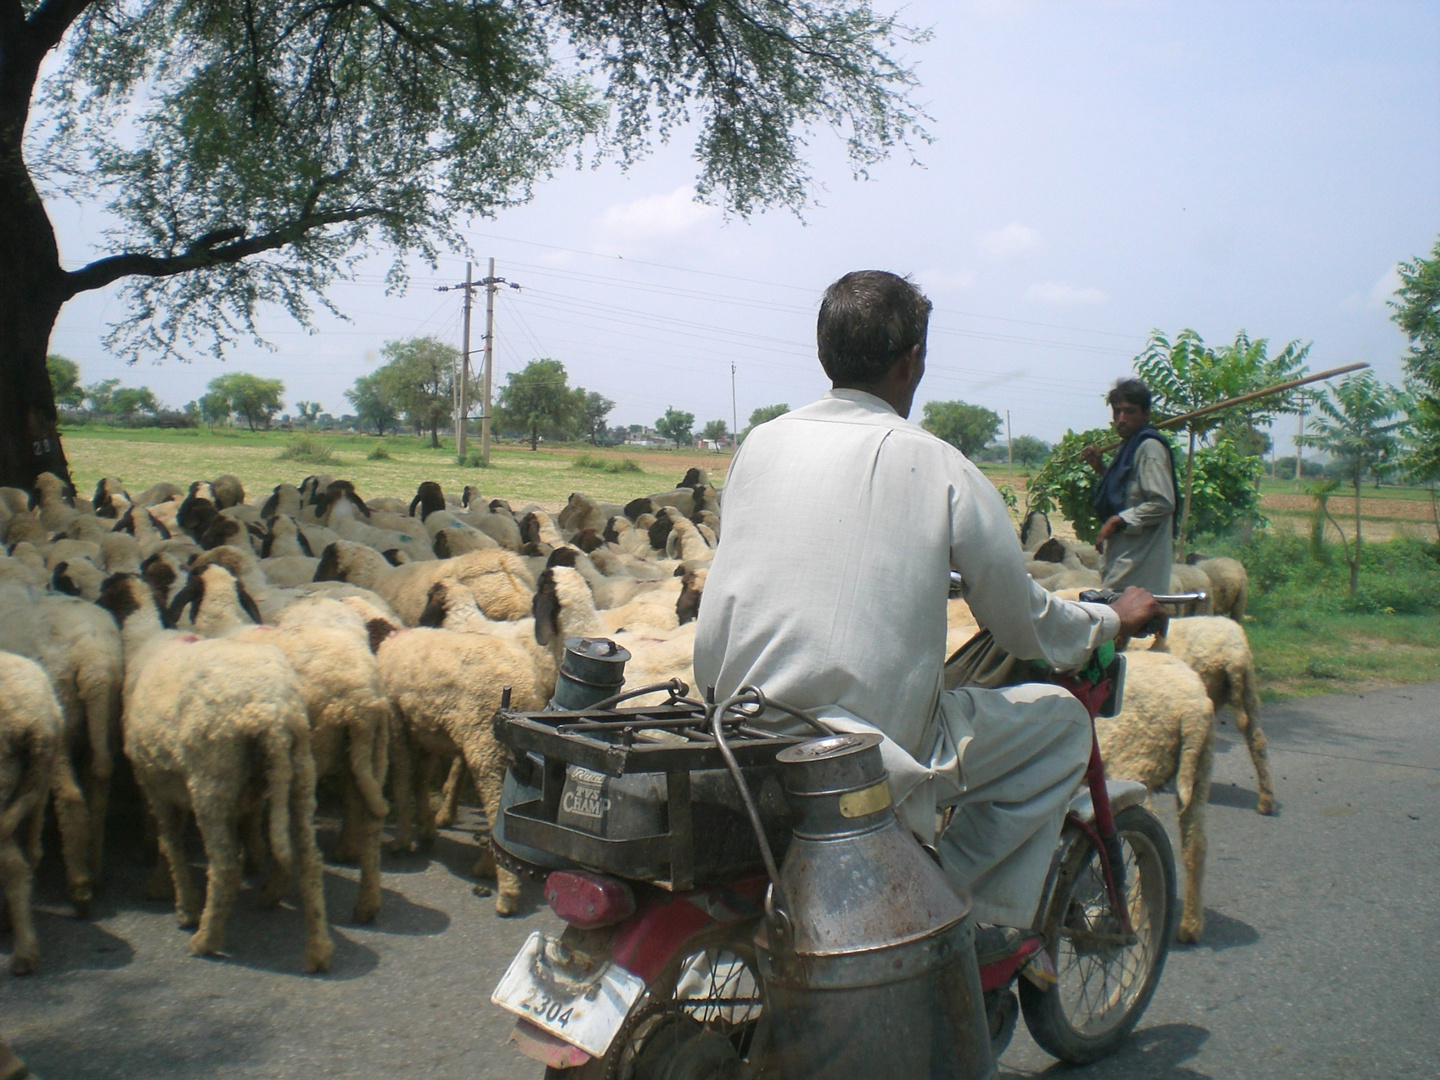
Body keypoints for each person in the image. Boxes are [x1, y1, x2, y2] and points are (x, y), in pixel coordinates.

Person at [693, 270, 1164, 933]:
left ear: (825, 352)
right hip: (862, 751)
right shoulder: (938, 464)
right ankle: (950, 919)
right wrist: (1113, 616)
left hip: (740, 726)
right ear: (913, 360)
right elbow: (1024, 625)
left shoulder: (761, 444)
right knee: (1061, 723)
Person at [1081, 379, 1179, 594]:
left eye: (1130, 412)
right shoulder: (1130, 446)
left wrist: (1117, 520)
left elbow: (1163, 502)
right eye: (1117, 412)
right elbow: (1127, 493)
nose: (1122, 419)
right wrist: (1100, 467)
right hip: (1121, 562)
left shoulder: (1149, 448)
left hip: (1139, 569)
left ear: (1145, 414)